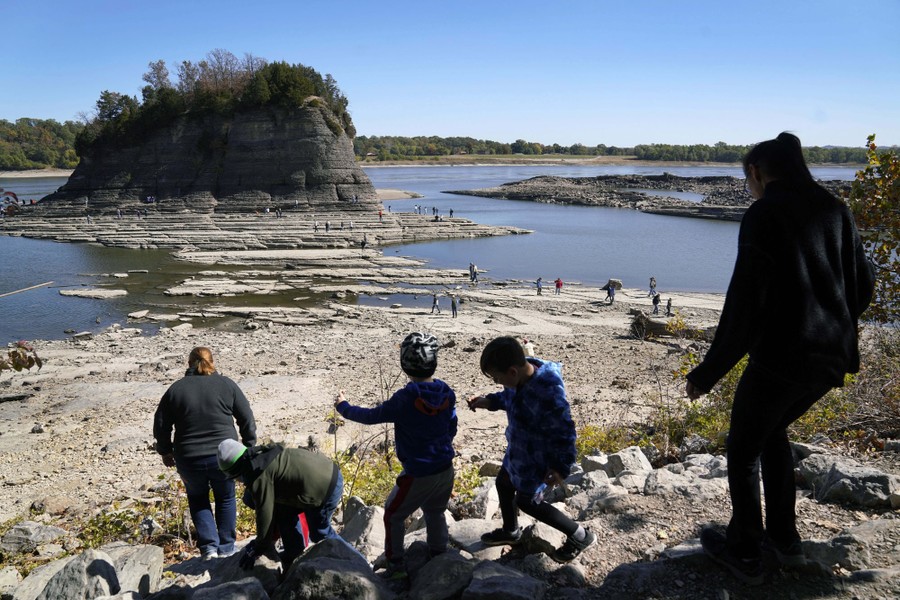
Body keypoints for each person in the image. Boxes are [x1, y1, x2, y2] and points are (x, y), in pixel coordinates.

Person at [686, 132, 875, 586]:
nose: (747, 186)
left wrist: (708, 372)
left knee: (743, 448)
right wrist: (836, 323)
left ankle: (745, 551)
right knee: (771, 435)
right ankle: (784, 540)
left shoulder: (764, 212)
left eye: (745, 176)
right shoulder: (835, 208)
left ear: (757, 172)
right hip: (831, 356)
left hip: (783, 357)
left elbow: (746, 302)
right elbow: (864, 284)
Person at [335, 332, 457, 579]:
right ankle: (438, 554)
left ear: (405, 365)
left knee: (393, 514)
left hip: (417, 473)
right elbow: (452, 424)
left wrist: (343, 406)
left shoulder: (406, 398)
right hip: (445, 468)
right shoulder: (446, 392)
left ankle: (396, 565)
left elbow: (371, 416)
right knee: (435, 511)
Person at [467, 336, 595, 563]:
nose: (499, 383)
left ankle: (580, 535)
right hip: (518, 451)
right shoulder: (518, 379)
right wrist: (490, 401)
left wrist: (560, 467)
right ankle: (511, 531)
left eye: (498, 378)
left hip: (538, 459)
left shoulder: (548, 392)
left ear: (513, 372)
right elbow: (509, 396)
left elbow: (565, 431)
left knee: (528, 502)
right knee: (503, 483)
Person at [153, 347, 256, 559]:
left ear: (189, 363)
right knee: (226, 497)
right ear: (212, 361)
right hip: (225, 455)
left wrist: (165, 451)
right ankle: (227, 548)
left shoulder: (176, 389)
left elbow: (161, 425)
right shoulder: (227, 385)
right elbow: (246, 418)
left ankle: (209, 548)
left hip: (189, 457)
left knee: (198, 498)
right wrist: (249, 446)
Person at [218, 438, 344, 570]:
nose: (238, 481)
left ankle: (356, 563)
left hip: (325, 487)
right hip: (327, 471)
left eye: (234, 478)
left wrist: (258, 547)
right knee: (283, 512)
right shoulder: (260, 456)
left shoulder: (259, 476)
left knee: (321, 534)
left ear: (236, 472)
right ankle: (294, 555)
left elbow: (264, 515)